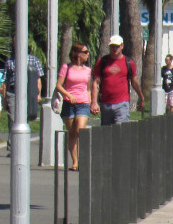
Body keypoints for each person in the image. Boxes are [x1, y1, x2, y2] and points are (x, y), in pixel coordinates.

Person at [54, 42, 93, 171]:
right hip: (69, 103)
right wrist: (68, 95)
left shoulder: (88, 70)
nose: (87, 54)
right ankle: (75, 161)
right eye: (85, 52)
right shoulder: (67, 67)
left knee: (80, 131)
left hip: (83, 103)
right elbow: (59, 85)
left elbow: (88, 88)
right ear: (78, 54)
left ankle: (83, 159)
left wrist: (91, 101)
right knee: (72, 133)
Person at [89, 34, 143, 125]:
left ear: (122, 46)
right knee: (106, 133)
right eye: (112, 46)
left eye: (117, 46)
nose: (114, 49)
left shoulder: (129, 62)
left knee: (120, 131)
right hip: (106, 103)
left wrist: (141, 97)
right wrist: (94, 102)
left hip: (122, 103)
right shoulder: (102, 62)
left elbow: (134, 81)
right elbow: (96, 82)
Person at [3, 44, 44, 123]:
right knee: (12, 117)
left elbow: (38, 79)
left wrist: (38, 94)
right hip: (12, 91)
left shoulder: (34, 60)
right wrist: (4, 98)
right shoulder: (9, 61)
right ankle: (13, 134)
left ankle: (24, 134)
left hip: (28, 91)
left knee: (26, 116)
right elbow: (5, 81)